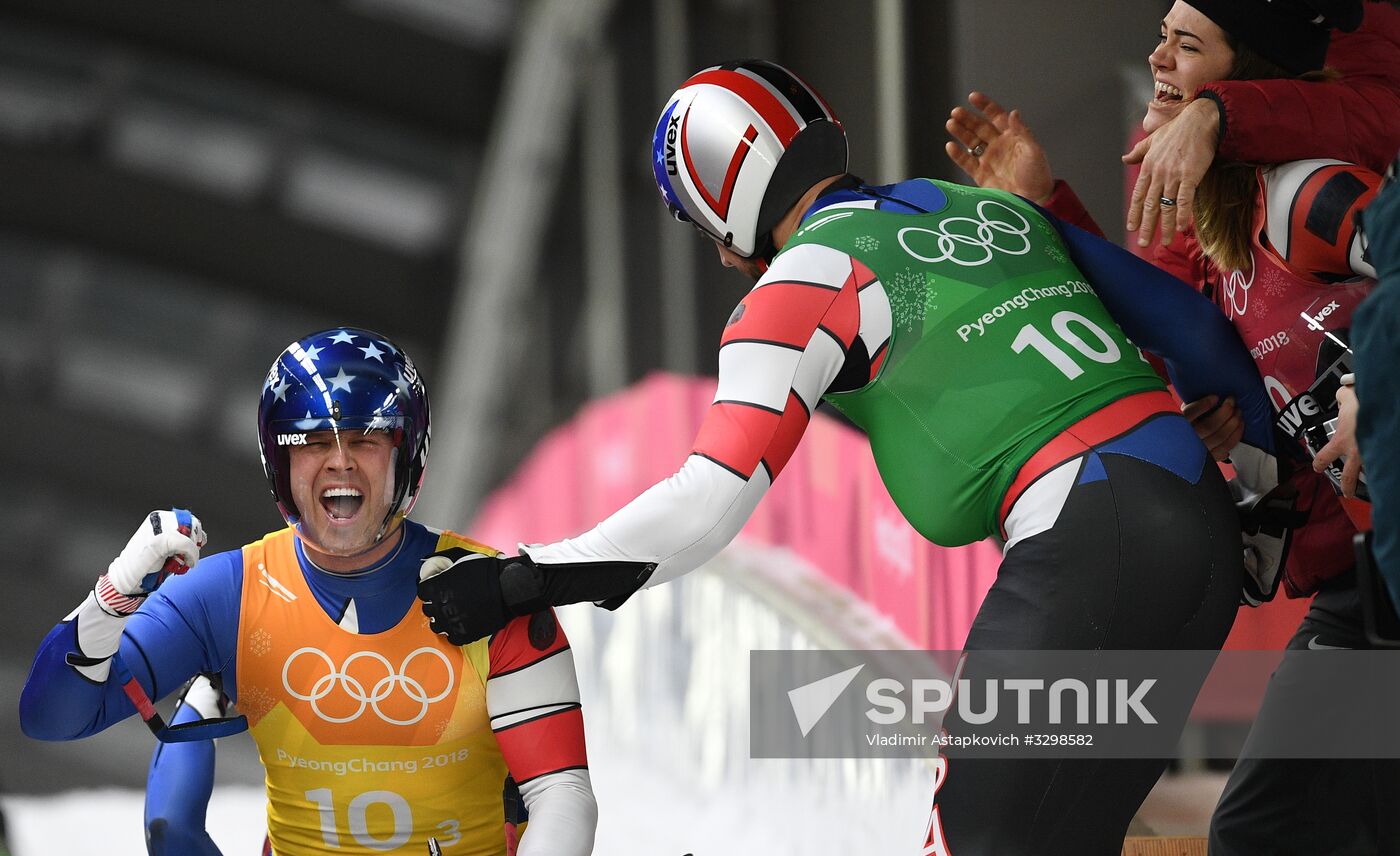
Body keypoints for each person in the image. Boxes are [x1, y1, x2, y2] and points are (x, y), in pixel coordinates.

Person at [417, 60, 1281, 855]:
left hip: (1088, 542)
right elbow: (1196, 329)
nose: (719, 253)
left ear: (726, 199)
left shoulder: (799, 284)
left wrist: (521, 575)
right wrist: (1270, 502)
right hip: (1198, 528)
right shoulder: (984, 205)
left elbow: (706, 502)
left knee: (973, 839)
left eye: (703, 224)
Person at [945, 3, 1390, 853]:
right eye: (1160, 34)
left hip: (1376, 588)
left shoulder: (1311, 192)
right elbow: (1161, 324)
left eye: (1186, 45)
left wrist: (1381, 376)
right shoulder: (1228, 236)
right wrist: (1043, 210)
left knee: (1269, 826)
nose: (1155, 56)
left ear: (1244, 84)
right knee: (1276, 826)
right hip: (1360, 590)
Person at [20, 328, 597, 856]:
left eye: (366, 441)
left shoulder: (491, 588)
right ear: (282, 461)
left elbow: (563, 793)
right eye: (314, 441)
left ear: (407, 456)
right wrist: (114, 592)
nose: (340, 463)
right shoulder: (227, 594)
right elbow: (53, 718)